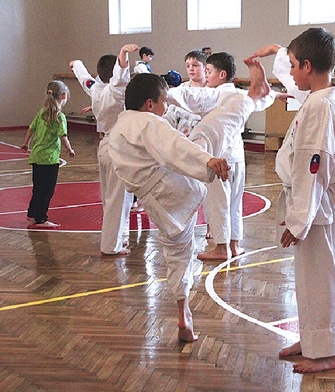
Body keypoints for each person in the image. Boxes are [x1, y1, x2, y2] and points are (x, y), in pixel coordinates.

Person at [108, 60, 271, 342]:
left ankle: (183, 310)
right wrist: (207, 159)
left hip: (157, 204)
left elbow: (162, 151)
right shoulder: (148, 122)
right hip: (178, 188)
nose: (165, 108)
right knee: (210, 131)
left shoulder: (117, 131)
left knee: (177, 255)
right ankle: (254, 98)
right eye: (162, 103)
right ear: (149, 104)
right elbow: (175, 145)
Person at [247, 28, 335, 373]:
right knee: (311, 279)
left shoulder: (320, 107)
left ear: (309, 66)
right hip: (320, 205)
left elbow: (313, 168)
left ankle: (328, 352)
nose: (291, 74)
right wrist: (281, 51)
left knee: (320, 280)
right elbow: (326, 66)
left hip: (318, 207)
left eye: (294, 65)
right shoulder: (332, 91)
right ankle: (314, 339)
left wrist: (298, 220)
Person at [166, 52, 290, 260]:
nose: (205, 76)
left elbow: (189, 98)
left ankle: (221, 247)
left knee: (218, 203)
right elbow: (260, 99)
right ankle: (235, 245)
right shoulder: (239, 94)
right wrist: (276, 95)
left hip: (219, 158)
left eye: (208, 71)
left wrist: (163, 93)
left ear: (221, 75)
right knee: (234, 203)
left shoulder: (215, 95)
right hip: (237, 157)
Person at [70, 43, 139, 255]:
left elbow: (84, 78)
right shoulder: (116, 92)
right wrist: (123, 54)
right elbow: (119, 79)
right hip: (119, 148)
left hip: (105, 147)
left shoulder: (95, 89)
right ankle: (112, 245)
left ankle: (118, 239)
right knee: (118, 200)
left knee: (112, 199)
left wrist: (77, 64)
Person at [21, 80, 75, 229]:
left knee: (38, 187)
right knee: (47, 190)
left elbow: (31, 129)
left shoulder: (41, 112)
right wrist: (70, 150)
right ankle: (41, 218)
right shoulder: (59, 116)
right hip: (49, 159)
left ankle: (32, 213)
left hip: (37, 156)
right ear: (63, 96)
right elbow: (63, 136)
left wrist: (26, 143)